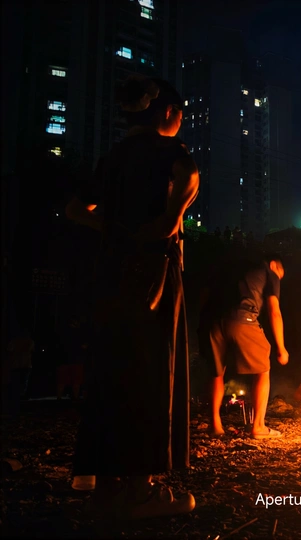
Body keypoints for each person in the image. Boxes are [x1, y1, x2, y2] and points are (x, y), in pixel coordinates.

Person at [66, 75, 198, 519]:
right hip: (154, 273)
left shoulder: (113, 157)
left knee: (110, 371)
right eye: (180, 115)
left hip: (110, 275)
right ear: (168, 113)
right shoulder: (169, 151)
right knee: (152, 369)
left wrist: (111, 229)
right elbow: (189, 174)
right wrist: (169, 220)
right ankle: (142, 490)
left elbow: (74, 209)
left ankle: (105, 489)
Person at [201, 253, 289, 439]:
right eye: (280, 274)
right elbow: (274, 311)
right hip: (243, 318)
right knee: (263, 369)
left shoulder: (236, 267)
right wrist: (281, 348)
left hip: (213, 319)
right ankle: (258, 427)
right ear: (274, 264)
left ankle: (215, 425)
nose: (279, 278)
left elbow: (207, 293)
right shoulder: (270, 272)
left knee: (217, 372)